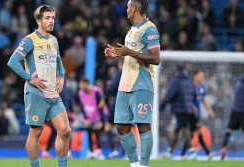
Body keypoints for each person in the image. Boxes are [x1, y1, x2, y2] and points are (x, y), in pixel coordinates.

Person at [7, 5, 70, 167]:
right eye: (47, 18)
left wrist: (61, 77)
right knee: (36, 132)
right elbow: (13, 62)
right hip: (36, 93)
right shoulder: (29, 40)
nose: (51, 21)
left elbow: (58, 61)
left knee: (65, 130)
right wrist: (30, 79)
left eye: (53, 18)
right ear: (38, 21)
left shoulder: (54, 40)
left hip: (53, 94)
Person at [104, 0, 160, 166]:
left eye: (128, 7)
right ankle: (134, 164)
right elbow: (134, 54)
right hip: (125, 84)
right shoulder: (132, 30)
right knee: (121, 126)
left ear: (134, 9)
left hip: (142, 84)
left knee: (143, 125)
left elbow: (156, 59)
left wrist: (129, 51)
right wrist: (118, 54)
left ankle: (143, 165)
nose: (126, 9)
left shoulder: (150, 29)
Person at [159, 65, 197, 160]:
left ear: (177, 71)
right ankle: (169, 152)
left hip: (180, 109)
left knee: (185, 130)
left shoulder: (176, 82)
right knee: (177, 131)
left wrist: (161, 107)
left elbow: (169, 95)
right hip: (188, 109)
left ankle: (192, 152)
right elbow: (194, 95)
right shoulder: (188, 82)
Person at [181, 70, 215, 160]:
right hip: (189, 114)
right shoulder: (190, 86)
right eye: (200, 75)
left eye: (202, 75)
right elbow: (186, 99)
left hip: (196, 115)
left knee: (193, 135)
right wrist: (192, 106)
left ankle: (183, 154)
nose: (202, 77)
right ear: (195, 76)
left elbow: (203, 100)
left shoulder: (201, 88)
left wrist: (210, 110)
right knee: (196, 134)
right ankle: (208, 153)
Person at [77, 77, 105, 159]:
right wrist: (85, 118)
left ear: (86, 83)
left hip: (97, 117)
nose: (80, 86)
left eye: (81, 84)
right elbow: (82, 106)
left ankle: (99, 153)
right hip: (88, 118)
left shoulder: (96, 92)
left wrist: (101, 121)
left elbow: (101, 106)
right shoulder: (80, 93)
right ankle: (91, 153)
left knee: (97, 134)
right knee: (89, 134)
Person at [221, 74, 244, 160]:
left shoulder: (238, 84)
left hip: (235, 110)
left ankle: (223, 148)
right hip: (243, 111)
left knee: (229, 130)